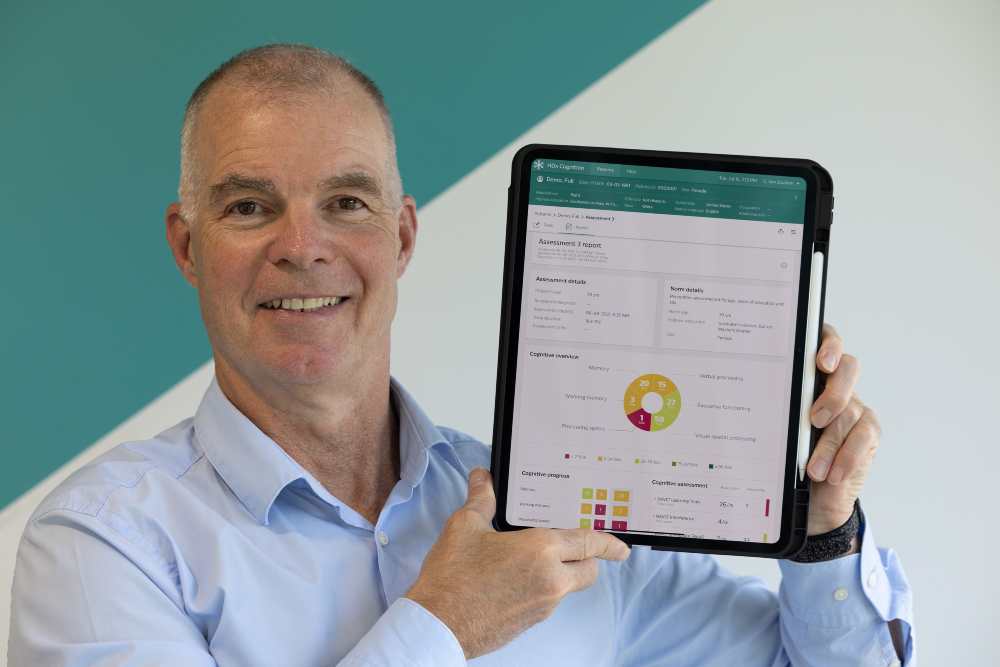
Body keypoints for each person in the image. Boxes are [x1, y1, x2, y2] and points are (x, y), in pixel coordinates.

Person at [8, 44, 913, 666]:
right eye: (249, 207)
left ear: (401, 237)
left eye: (348, 203)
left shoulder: (556, 503)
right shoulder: (104, 540)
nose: (303, 246)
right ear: (186, 243)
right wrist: (442, 627)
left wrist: (824, 525)